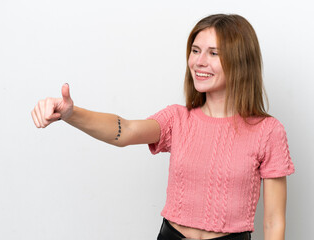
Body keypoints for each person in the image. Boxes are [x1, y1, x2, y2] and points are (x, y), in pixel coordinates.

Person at [31, 14, 294, 240]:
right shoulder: (177, 119)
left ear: (240, 61)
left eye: (214, 53)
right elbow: (125, 130)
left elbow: (273, 222)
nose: (199, 62)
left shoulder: (268, 131)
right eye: (195, 50)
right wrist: (70, 114)